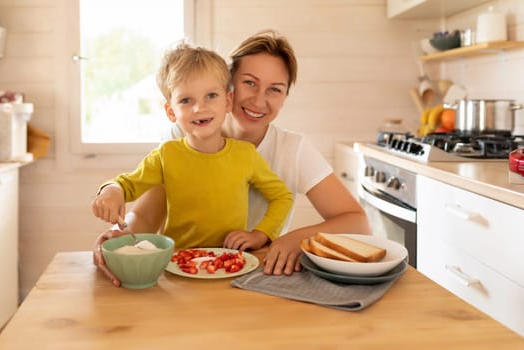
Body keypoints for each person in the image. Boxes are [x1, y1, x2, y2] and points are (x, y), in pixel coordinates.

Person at [94, 30, 370, 286]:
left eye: (275, 89)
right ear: (229, 87)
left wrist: (296, 238)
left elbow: (357, 222)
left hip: (259, 277)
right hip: (187, 273)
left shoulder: (292, 148)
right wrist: (121, 239)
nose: (259, 100)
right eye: (250, 83)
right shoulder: (182, 137)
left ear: (285, 95)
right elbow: (146, 214)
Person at [92, 43, 293, 252]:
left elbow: (282, 197)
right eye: (186, 100)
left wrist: (260, 234)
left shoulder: (246, 156)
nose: (200, 108)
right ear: (171, 112)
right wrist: (110, 190)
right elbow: (126, 185)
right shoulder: (166, 155)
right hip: (178, 267)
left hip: (231, 265)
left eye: (211, 96)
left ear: (228, 101)